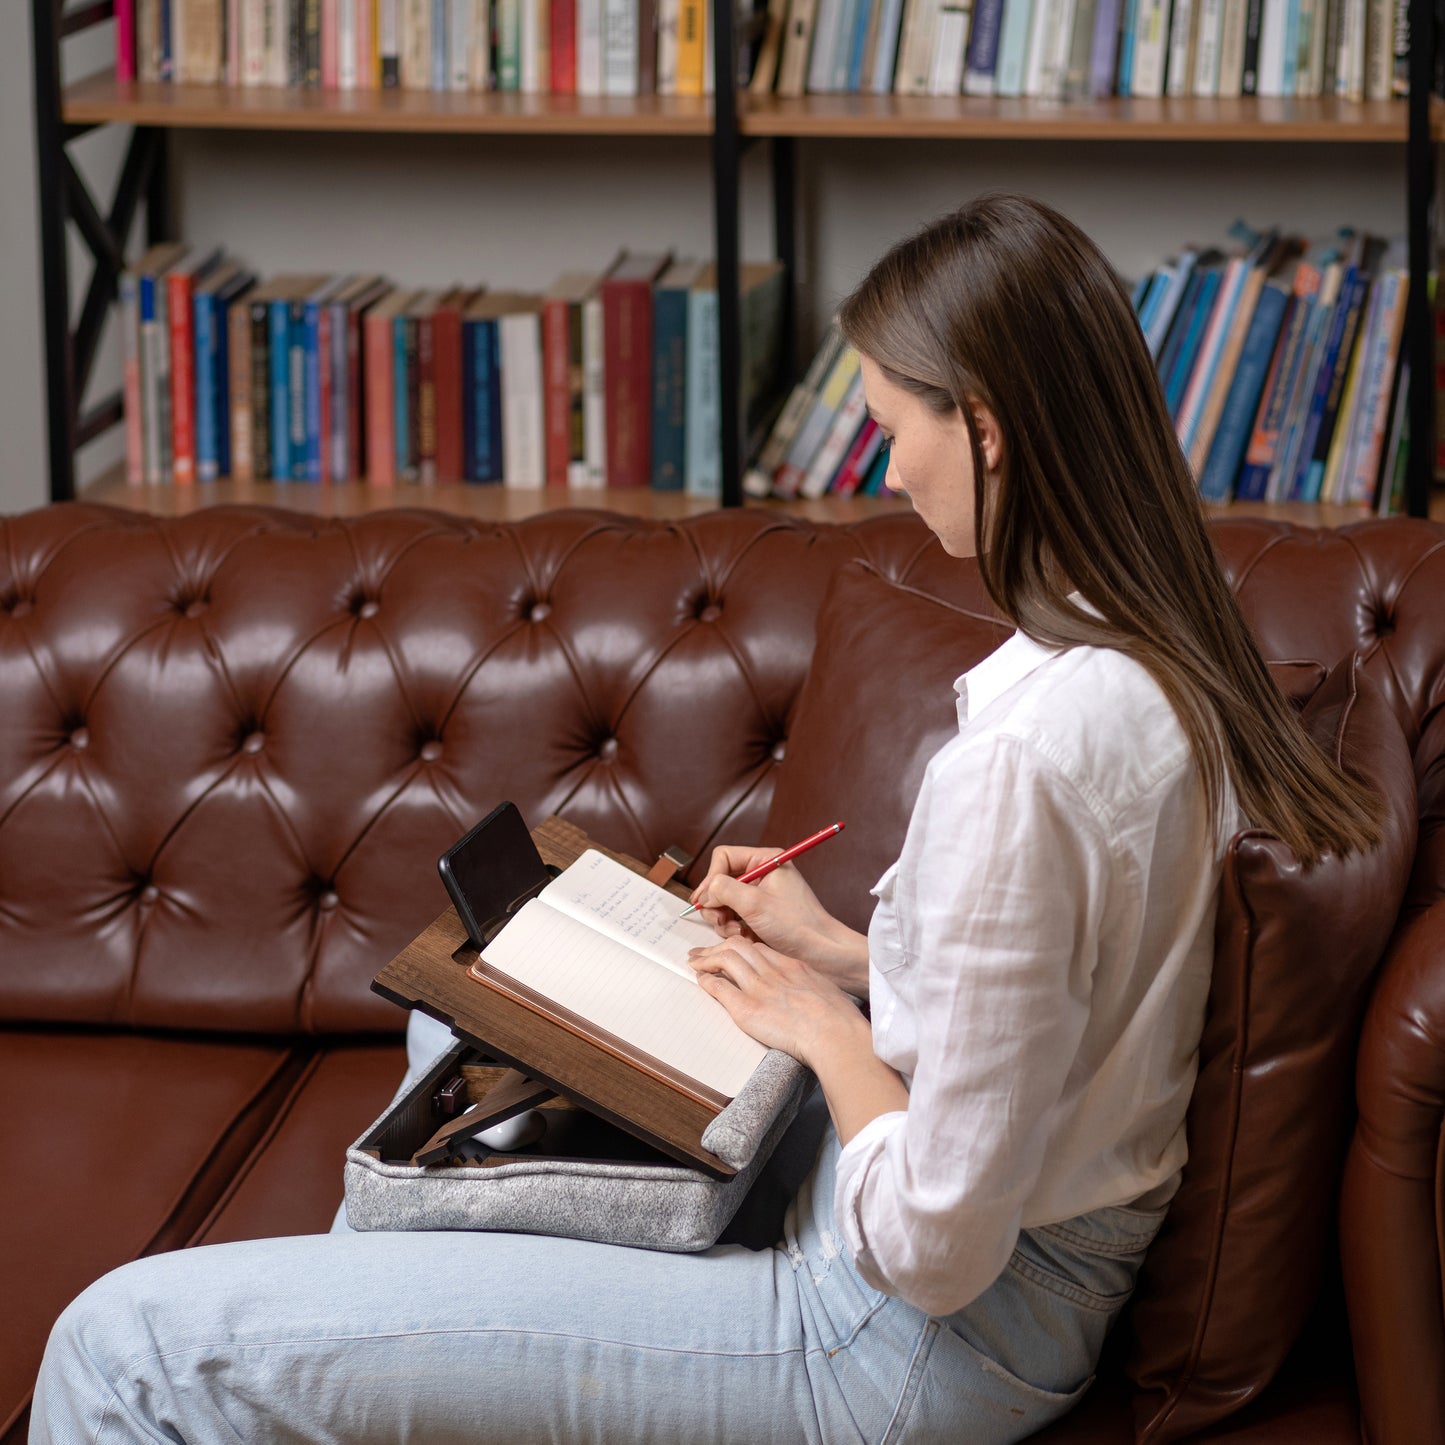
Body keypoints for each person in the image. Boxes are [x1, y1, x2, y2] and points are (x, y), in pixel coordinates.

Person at [31, 194, 1384, 1445]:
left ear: (986, 429)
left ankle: (352, 1331)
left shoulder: (1023, 761)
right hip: (998, 1272)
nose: (889, 471)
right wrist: (836, 952)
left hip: (897, 1334)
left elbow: (939, 1239)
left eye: (894, 427)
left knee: (119, 1343)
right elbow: (1067, 1005)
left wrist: (816, 1024)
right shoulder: (1168, 662)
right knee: (466, 1007)